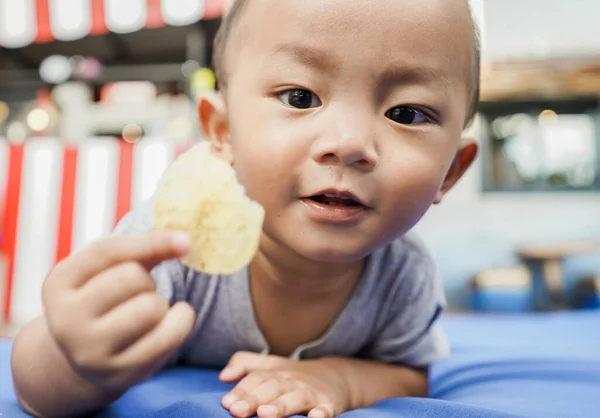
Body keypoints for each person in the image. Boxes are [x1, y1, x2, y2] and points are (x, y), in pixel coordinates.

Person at [11, 0, 480, 417]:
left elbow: (408, 374)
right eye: (300, 97)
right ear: (222, 131)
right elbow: (32, 386)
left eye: (407, 113)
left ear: (451, 172)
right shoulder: (174, 241)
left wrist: (338, 379)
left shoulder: (403, 272)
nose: (350, 144)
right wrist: (69, 358)